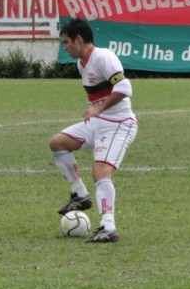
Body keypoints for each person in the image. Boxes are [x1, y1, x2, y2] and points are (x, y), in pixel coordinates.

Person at [49, 18, 138, 243]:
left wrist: (98, 108)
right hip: (98, 123)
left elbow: (124, 87)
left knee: (100, 171)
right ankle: (80, 195)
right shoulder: (82, 64)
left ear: (79, 39)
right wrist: (96, 110)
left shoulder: (103, 57)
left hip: (119, 124)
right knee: (57, 143)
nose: (65, 47)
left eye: (67, 42)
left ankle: (108, 226)